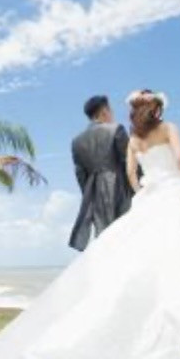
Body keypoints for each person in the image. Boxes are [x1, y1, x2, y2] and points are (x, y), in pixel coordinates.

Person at [0, 90, 180, 359]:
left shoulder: (79, 141)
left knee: (118, 260)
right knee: (164, 260)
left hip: (97, 196)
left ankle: (116, 311)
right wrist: (159, 181)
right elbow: (145, 168)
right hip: (145, 196)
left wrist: (112, 193)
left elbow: (93, 173)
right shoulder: (128, 132)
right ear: (104, 112)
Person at [67, 95, 132, 251]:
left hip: (94, 194)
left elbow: (80, 175)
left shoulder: (76, 142)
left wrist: (90, 196)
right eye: (111, 110)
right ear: (104, 111)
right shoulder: (117, 129)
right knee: (127, 236)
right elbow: (130, 163)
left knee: (105, 240)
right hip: (120, 189)